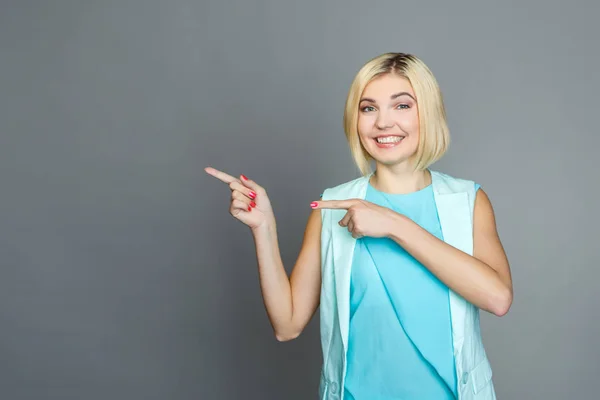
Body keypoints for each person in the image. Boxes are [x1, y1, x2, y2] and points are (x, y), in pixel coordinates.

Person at [205, 52, 512, 400]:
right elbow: (287, 325)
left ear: (427, 113)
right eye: (368, 108)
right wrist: (264, 228)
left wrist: (394, 224)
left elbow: (498, 298)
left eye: (402, 106)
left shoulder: (468, 201)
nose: (383, 123)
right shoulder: (332, 207)